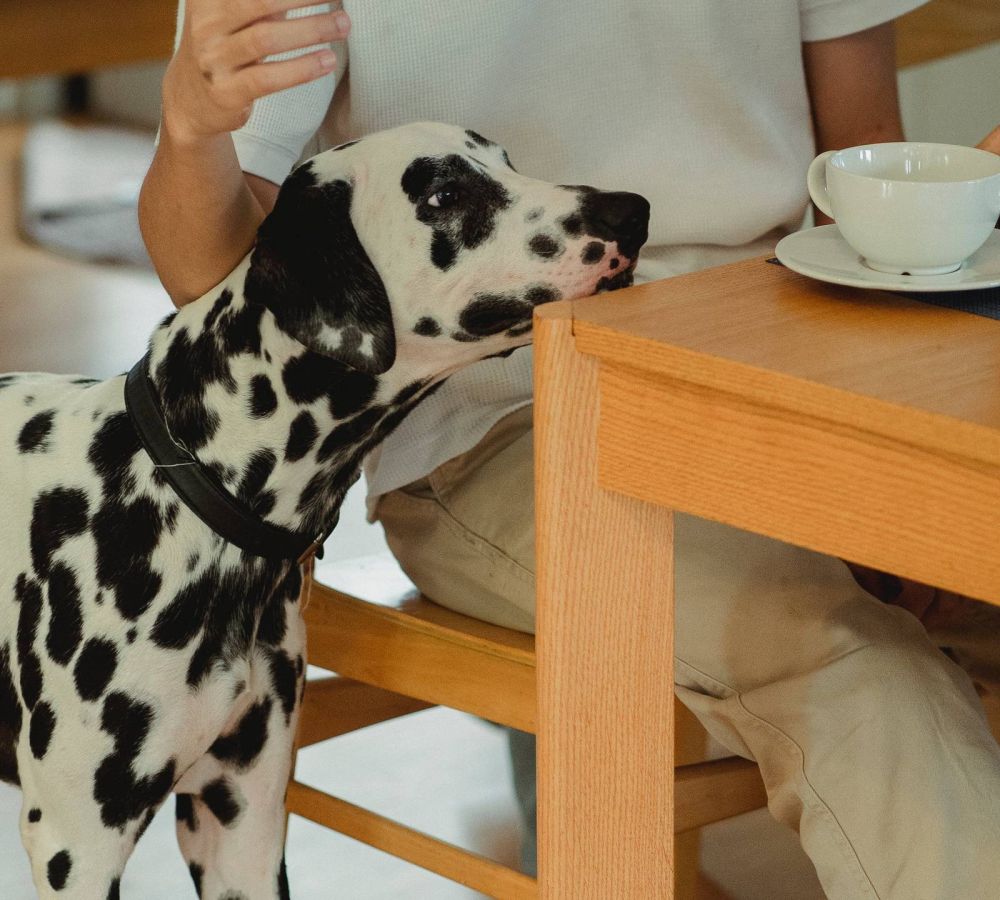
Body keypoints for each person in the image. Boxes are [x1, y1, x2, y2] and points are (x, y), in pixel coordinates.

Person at [139, 2, 1000, 897]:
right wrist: (189, 125)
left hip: (780, 372)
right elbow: (217, 279)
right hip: (498, 417)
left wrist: (892, 463)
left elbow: (859, 166)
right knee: (864, 672)